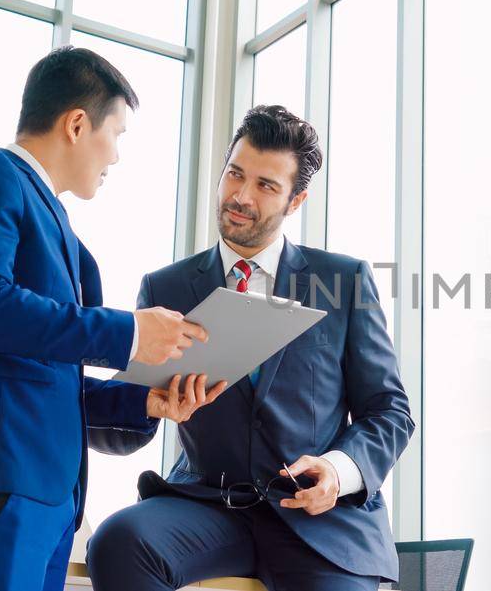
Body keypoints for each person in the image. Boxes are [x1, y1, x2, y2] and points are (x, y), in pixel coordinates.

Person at [0, 47, 224, 591]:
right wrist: (127, 332)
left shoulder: (69, 242)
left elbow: (53, 382)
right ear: (78, 124)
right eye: (118, 135)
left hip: (48, 499)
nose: (117, 157)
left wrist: (145, 401)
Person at [86, 105, 415, 591]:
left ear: (295, 200)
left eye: (265, 185)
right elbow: (126, 427)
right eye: (235, 174)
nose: (240, 196)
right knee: (118, 541)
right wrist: (150, 406)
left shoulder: (343, 280)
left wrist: (337, 470)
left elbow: (389, 411)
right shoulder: (164, 289)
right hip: (206, 509)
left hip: (317, 521)